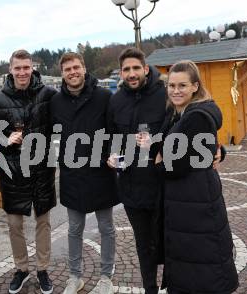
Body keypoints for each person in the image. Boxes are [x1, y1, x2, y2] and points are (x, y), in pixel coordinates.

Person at [154, 60, 238, 293]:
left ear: (195, 86)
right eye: (171, 86)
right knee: (194, 264)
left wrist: (160, 164)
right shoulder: (177, 112)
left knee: (202, 267)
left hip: (195, 203)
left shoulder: (196, 116)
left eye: (182, 85)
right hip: (190, 201)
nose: (175, 90)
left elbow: (176, 166)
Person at [0, 49, 57, 294]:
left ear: (32, 67)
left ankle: (43, 269)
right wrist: (4, 138)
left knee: (43, 223)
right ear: (10, 70)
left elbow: (67, 117)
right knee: (15, 224)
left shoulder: (48, 94)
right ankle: (22, 269)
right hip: (13, 173)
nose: (23, 72)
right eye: (18, 68)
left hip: (42, 170)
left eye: (26, 67)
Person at [51, 52, 117, 294]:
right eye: (67, 69)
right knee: (74, 229)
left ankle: (106, 277)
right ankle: (75, 276)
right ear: (62, 74)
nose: (72, 72)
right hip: (73, 174)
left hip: (101, 171)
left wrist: (113, 153)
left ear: (84, 68)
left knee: (106, 227)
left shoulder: (103, 96)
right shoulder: (56, 101)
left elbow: (115, 130)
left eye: (76, 67)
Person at [107, 48, 166, 294]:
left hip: (164, 186)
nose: (131, 74)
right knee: (143, 245)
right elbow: (110, 137)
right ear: (121, 72)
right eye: (126, 70)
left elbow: (186, 128)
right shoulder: (116, 100)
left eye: (135, 68)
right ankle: (150, 288)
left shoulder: (165, 94)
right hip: (131, 188)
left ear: (144, 68)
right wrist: (110, 155)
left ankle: (172, 284)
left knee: (168, 240)